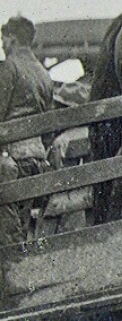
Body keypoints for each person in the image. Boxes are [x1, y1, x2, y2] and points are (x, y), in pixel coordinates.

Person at [0, 15, 54, 246]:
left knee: (9, 232)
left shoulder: (8, 67)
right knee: (21, 227)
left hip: (11, 160)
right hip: (37, 158)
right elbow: (49, 126)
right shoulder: (43, 73)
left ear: (12, 39)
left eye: (3, 39)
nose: (3, 45)